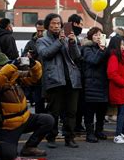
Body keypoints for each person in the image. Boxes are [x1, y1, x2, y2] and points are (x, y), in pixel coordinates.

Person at [0, 52, 54, 160]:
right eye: (4, 65)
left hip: (25, 119)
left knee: (48, 120)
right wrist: (12, 66)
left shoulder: (14, 75)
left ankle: (29, 147)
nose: (8, 66)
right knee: (8, 156)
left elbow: (34, 77)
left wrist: (33, 64)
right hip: (7, 126)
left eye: (8, 64)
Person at [37, 13, 82, 148]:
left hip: (72, 79)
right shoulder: (42, 41)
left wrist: (73, 43)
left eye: (58, 23)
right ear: (48, 25)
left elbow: (77, 56)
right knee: (53, 111)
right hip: (55, 80)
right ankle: (51, 137)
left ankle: (69, 137)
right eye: (53, 23)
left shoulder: (67, 39)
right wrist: (60, 42)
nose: (56, 26)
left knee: (72, 111)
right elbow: (45, 54)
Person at [81, 27, 109, 143]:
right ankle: (90, 133)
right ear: (90, 37)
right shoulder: (87, 48)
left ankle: (99, 130)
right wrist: (101, 50)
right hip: (91, 84)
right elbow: (93, 60)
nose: (98, 37)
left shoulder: (103, 49)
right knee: (90, 111)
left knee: (101, 110)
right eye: (96, 35)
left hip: (103, 84)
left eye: (100, 35)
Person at [107, 35, 124, 144]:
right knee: (122, 113)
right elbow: (112, 73)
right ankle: (117, 134)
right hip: (120, 89)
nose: (122, 47)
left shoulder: (123, 56)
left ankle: (121, 132)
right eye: (120, 44)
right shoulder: (114, 57)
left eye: (123, 44)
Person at [65, 14, 87, 134]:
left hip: (78, 75)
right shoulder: (67, 37)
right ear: (73, 23)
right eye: (80, 24)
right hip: (70, 75)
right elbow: (76, 56)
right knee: (71, 106)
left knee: (78, 104)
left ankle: (77, 125)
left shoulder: (78, 38)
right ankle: (70, 128)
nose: (81, 27)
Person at [22, 20, 46, 114]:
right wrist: (27, 55)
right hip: (37, 74)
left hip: (49, 73)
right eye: (38, 30)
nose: (40, 33)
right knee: (38, 100)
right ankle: (40, 120)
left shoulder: (50, 40)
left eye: (42, 30)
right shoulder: (31, 42)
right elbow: (24, 54)